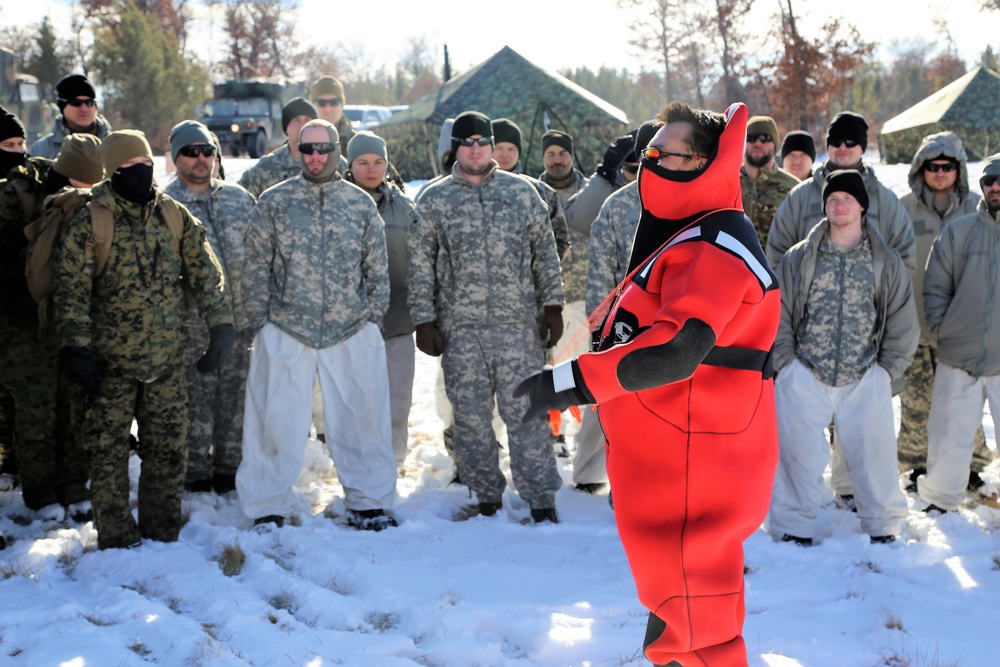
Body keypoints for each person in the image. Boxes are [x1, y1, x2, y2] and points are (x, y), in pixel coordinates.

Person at [516, 101, 780, 665]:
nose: (649, 165)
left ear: (706, 164)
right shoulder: (684, 234)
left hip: (697, 467)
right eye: (646, 154)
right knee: (675, 615)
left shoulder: (715, 243)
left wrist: (572, 383)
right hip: (670, 464)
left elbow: (677, 349)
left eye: (664, 155)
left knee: (695, 619)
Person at [55, 130, 234, 550]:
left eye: (146, 164)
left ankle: (162, 529)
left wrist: (221, 323)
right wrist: (77, 347)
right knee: (107, 454)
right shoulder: (91, 220)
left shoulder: (172, 215)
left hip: (166, 362)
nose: (140, 172)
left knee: (169, 450)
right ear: (111, 171)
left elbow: (206, 273)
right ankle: (116, 538)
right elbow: (72, 291)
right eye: (129, 167)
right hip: (107, 365)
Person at [237, 119, 398, 531]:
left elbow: (377, 268)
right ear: (297, 151)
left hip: (351, 329)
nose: (315, 157)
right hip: (287, 328)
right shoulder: (274, 202)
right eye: (307, 149)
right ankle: (267, 504)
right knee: (274, 421)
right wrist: (262, 324)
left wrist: (372, 320)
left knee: (362, 418)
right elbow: (254, 267)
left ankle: (369, 501)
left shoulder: (359, 204)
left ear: (336, 149)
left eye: (324, 148)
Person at [409, 110, 564, 522]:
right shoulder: (434, 198)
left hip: (518, 327)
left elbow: (545, 253)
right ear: (455, 148)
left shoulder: (522, 192)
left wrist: (552, 305)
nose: (475, 149)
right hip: (461, 330)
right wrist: (424, 319)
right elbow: (420, 262)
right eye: (467, 142)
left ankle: (542, 499)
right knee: (471, 418)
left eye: (482, 141)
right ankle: (486, 496)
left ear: (492, 146)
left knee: (527, 414)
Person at [767, 170, 917, 545]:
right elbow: (779, 312)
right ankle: (793, 526)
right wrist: (786, 364)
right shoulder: (801, 257)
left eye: (847, 198)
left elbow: (902, 319)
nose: (839, 204)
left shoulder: (885, 261)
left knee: (875, 458)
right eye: (833, 198)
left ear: (862, 205)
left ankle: (883, 525)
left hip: (864, 373)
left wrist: (885, 372)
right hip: (805, 371)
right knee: (796, 458)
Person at [0, 133, 104, 517]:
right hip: (22, 325)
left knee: (75, 405)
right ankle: (41, 495)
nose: (89, 193)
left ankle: (75, 487)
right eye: (83, 185)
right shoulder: (17, 198)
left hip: (73, 322)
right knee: (36, 411)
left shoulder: (97, 203)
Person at [164, 120, 256, 495]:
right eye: (190, 152)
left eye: (207, 151)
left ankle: (229, 471)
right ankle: (196, 476)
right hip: (191, 328)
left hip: (241, 323)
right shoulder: (164, 206)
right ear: (176, 158)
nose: (201, 158)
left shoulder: (238, 198)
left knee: (236, 402)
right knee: (194, 407)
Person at [897, 131, 992, 493]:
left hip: (964, 331)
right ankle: (916, 465)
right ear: (921, 168)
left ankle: (969, 467)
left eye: (947, 166)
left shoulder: (976, 209)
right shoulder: (903, 207)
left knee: (964, 409)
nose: (939, 172)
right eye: (932, 166)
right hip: (916, 326)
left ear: (958, 169)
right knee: (917, 404)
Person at [577, 121, 659, 494]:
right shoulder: (617, 206)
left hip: (672, 329)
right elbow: (601, 273)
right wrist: (600, 331)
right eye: (649, 154)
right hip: (623, 329)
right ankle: (596, 477)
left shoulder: (692, 204)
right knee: (612, 407)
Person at [917, 155, 1000, 513]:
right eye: (988, 181)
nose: (995, 186)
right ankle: (940, 500)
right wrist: (942, 330)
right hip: (957, 355)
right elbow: (935, 285)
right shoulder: (960, 230)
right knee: (948, 437)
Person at [343, 130, 417, 467]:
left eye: (378, 162)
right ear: (350, 164)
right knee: (355, 404)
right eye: (363, 162)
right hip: (349, 327)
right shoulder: (336, 203)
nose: (371, 169)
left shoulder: (404, 207)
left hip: (398, 323)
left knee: (397, 402)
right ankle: (358, 466)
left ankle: (393, 464)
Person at [767, 111, 914, 270]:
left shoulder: (885, 200)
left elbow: (905, 257)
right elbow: (777, 254)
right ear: (828, 145)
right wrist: (791, 292)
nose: (842, 147)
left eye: (850, 142)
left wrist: (883, 292)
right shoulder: (800, 197)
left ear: (862, 147)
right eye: (836, 142)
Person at [238, 97, 318, 198]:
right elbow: (238, 198)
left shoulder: (333, 164)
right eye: (296, 120)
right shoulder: (267, 167)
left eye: (308, 120)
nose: (303, 125)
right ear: (286, 128)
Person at [740, 115, 800, 249]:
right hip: (733, 267)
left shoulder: (793, 188)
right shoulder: (727, 183)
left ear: (775, 144)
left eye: (764, 138)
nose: (758, 143)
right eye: (751, 138)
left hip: (776, 267)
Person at [30, 74, 112, 160]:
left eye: (89, 102)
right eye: (76, 102)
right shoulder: (41, 151)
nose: (84, 108)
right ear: (62, 107)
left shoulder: (115, 146)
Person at [309, 75, 354, 153]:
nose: (328, 109)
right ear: (313, 105)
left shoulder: (357, 143)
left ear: (342, 104)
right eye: (321, 103)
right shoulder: (300, 143)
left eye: (334, 102)